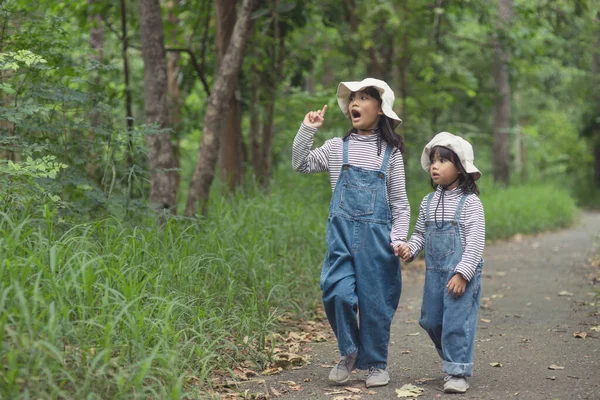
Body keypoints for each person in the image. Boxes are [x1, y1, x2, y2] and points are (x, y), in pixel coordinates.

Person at [292, 78, 410, 388]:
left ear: (380, 109)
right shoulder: (335, 147)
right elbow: (301, 164)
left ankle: (377, 364)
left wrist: (398, 238)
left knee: (375, 302)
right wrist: (308, 128)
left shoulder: (390, 153)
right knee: (336, 292)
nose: (354, 103)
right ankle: (349, 352)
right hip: (341, 237)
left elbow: (400, 203)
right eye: (352, 99)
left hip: (378, 241)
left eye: (363, 98)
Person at [396, 131, 485, 394]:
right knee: (431, 321)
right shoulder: (428, 201)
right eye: (433, 160)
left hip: (460, 275)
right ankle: (452, 358)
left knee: (457, 322)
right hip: (435, 274)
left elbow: (476, 242)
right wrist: (409, 250)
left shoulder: (471, 203)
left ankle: (457, 370)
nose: (435, 166)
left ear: (460, 167)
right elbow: (420, 235)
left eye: (443, 161)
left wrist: (463, 273)